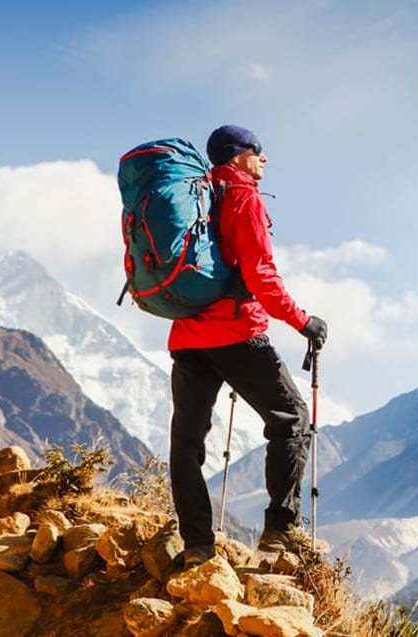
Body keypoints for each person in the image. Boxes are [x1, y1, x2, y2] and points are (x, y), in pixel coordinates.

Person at [167, 124, 328, 567]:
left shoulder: (192, 195)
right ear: (239, 156)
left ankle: (197, 545)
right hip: (237, 334)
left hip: (186, 337)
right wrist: (303, 321)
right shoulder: (242, 198)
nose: (265, 158)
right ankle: (279, 532)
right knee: (291, 417)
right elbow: (260, 273)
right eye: (258, 151)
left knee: (186, 443)